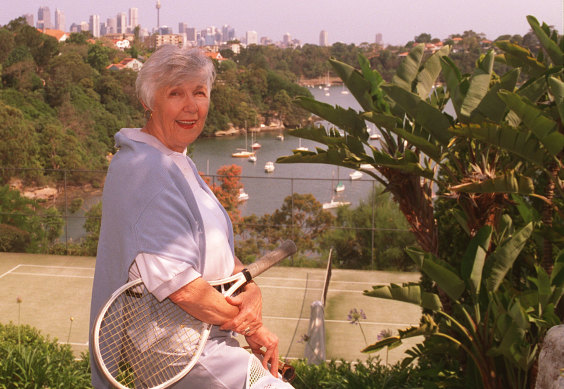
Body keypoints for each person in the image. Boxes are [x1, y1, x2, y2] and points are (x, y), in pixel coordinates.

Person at [89, 45, 293, 389]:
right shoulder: (146, 171)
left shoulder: (173, 160)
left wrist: (250, 289)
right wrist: (251, 326)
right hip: (179, 353)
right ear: (149, 102)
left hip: (208, 340)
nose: (191, 106)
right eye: (175, 93)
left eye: (199, 92)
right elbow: (181, 287)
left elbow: (214, 248)